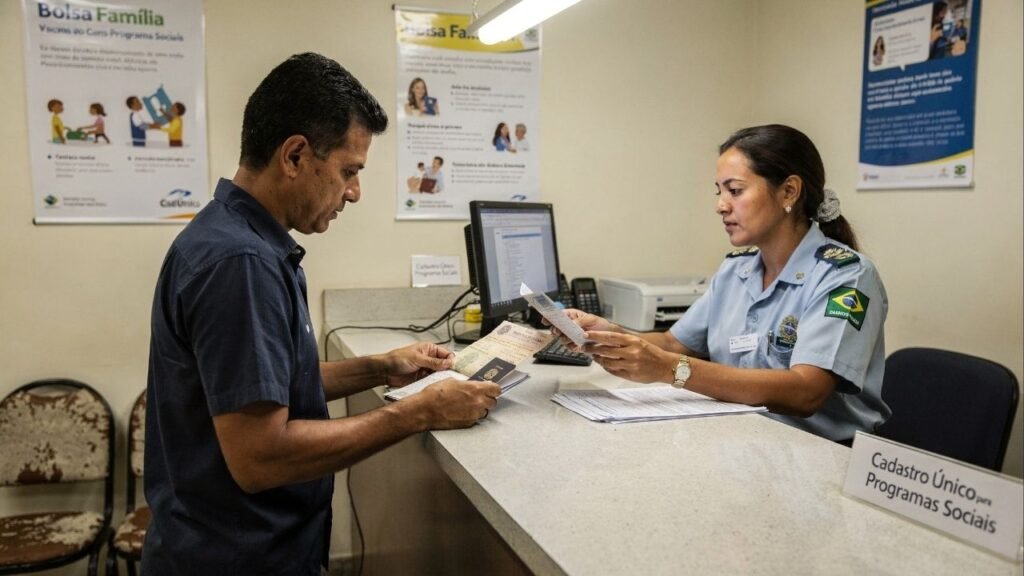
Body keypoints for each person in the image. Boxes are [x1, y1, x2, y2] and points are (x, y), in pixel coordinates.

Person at [144, 53, 499, 574]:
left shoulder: (245, 241)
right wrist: (418, 412)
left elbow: (271, 387)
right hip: (235, 558)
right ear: (294, 155)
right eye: (349, 171)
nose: (354, 192)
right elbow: (261, 456)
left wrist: (381, 367)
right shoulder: (239, 263)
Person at [555, 124, 889, 443]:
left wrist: (670, 369)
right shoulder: (735, 272)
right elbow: (673, 344)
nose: (720, 205)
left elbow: (805, 392)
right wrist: (604, 333)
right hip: (741, 437)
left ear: (788, 191)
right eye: (719, 192)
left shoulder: (846, 275)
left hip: (820, 453)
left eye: (735, 190)